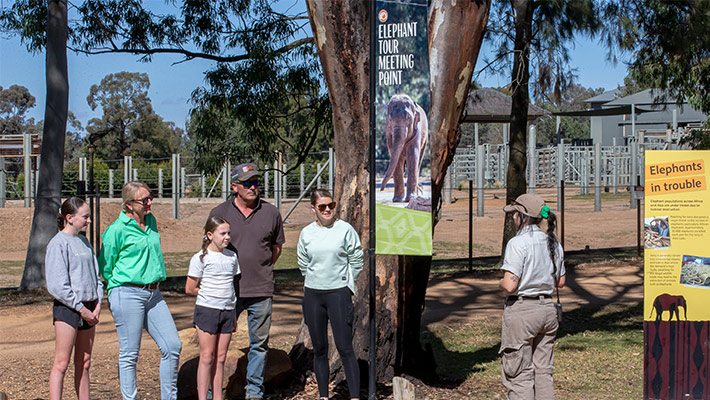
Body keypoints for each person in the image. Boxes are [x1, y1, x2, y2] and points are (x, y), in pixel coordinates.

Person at [208, 162, 285, 400]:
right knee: (218, 348)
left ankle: (254, 393)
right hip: (226, 291)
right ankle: (212, 392)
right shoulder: (219, 213)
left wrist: (260, 269)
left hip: (260, 289)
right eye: (247, 183)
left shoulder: (271, 212)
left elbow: (276, 248)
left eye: (256, 182)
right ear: (234, 186)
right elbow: (210, 249)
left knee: (259, 346)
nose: (253, 187)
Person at [99, 181, 182, 400]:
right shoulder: (116, 230)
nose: (149, 202)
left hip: (154, 294)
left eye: (150, 197)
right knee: (130, 354)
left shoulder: (152, 221)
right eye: (144, 200)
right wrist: (119, 287)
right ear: (128, 204)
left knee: (172, 346)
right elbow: (106, 266)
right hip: (127, 293)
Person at [297, 189, 363, 400]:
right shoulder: (306, 232)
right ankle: (324, 396)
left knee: (345, 348)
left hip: (338, 294)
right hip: (314, 295)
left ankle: (354, 397)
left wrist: (347, 285)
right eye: (322, 207)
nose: (327, 210)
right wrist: (313, 281)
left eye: (331, 206)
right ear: (313, 208)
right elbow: (303, 262)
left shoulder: (345, 229)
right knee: (320, 349)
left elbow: (356, 258)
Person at [499, 193, 566, 400]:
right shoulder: (553, 242)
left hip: (522, 311)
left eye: (514, 214)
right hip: (547, 310)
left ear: (523, 216)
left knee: (519, 373)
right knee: (543, 372)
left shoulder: (517, 243)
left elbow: (510, 285)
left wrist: (499, 282)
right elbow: (560, 282)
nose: (512, 218)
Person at [45, 196, 103, 400]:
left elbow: (96, 276)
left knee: (85, 362)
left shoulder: (84, 241)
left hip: (89, 308)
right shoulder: (58, 244)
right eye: (85, 217)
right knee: (62, 363)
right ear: (69, 217)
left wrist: (97, 304)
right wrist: (81, 309)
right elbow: (57, 285)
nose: (89, 221)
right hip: (68, 309)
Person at [185, 216, 241, 400]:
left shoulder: (232, 256)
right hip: (207, 310)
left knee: (221, 357)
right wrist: (209, 294)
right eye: (222, 233)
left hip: (227, 311)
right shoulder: (200, 258)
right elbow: (190, 288)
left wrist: (232, 311)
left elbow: (231, 283)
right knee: (207, 356)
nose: (227, 237)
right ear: (210, 235)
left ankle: (218, 396)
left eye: (229, 233)